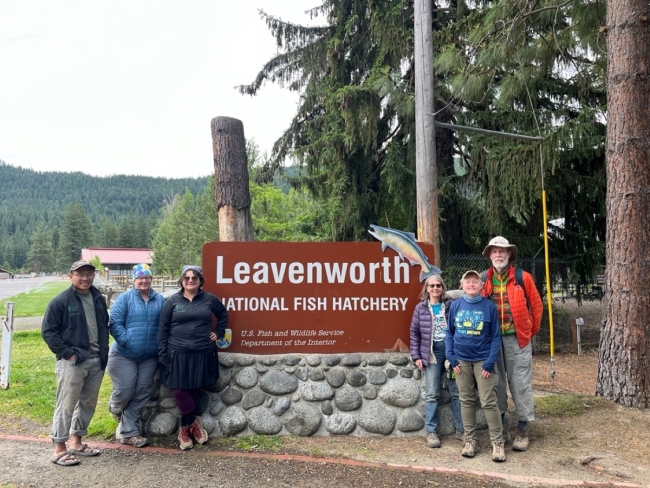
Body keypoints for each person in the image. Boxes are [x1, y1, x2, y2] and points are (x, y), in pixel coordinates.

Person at [41, 260, 109, 466]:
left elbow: (103, 326)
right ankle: (59, 448)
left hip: (96, 360)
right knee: (66, 404)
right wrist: (67, 353)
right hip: (73, 362)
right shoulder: (61, 301)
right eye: (80, 274)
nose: (85, 278)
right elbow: (48, 332)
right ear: (71, 276)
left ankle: (76, 442)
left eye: (89, 274)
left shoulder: (98, 298)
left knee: (87, 403)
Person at [481, 236, 543, 451]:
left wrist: (528, 332)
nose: (498, 255)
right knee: (495, 384)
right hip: (491, 341)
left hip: (517, 339)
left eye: (502, 251)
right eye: (494, 251)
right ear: (489, 255)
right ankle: (501, 427)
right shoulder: (483, 279)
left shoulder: (522, 277)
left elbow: (537, 307)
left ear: (509, 254)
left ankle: (523, 428)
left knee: (520, 383)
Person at [157, 265, 229, 450]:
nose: (190, 281)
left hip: (202, 351)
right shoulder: (172, 301)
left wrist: (218, 332)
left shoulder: (209, 299)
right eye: (187, 278)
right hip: (177, 352)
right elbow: (163, 329)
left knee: (194, 387)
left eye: (194, 278)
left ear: (200, 281)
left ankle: (185, 429)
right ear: (181, 280)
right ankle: (192, 422)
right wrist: (162, 353)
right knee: (179, 389)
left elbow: (223, 315)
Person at [445, 270, 505, 462]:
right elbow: (449, 333)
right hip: (461, 362)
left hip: (483, 362)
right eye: (467, 281)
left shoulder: (489, 306)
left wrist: (490, 362)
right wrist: (451, 357)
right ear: (462, 284)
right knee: (466, 400)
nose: (471, 284)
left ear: (481, 285)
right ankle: (470, 440)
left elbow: (495, 337)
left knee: (488, 401)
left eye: (475, 281)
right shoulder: (456, 305)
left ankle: (497, 442)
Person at [107, 263, 164, 448]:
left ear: (151, 279)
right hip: (123, 354)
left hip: (149, 356)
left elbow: (165, 324)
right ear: (134, 280)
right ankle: (115, 407)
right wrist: (127, 341)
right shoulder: (125, 298)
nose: (144, 280)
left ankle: (129, 433)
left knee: (142, 392)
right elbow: (115, 323)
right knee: (125, 390)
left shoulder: (160, 300)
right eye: (140, 277)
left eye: (147, 277)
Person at [410, 274, 464, 448]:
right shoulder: (420, 308)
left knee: (456, 393)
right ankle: (432, 432)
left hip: (451, 353)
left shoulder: (451, 305)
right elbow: (414, 333)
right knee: (432, 394)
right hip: (432, 354)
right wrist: (417, 356)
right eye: (431, 286)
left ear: (442, 288)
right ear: (427, 288)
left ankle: (461, 430)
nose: (435, 288)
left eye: (438, 285)